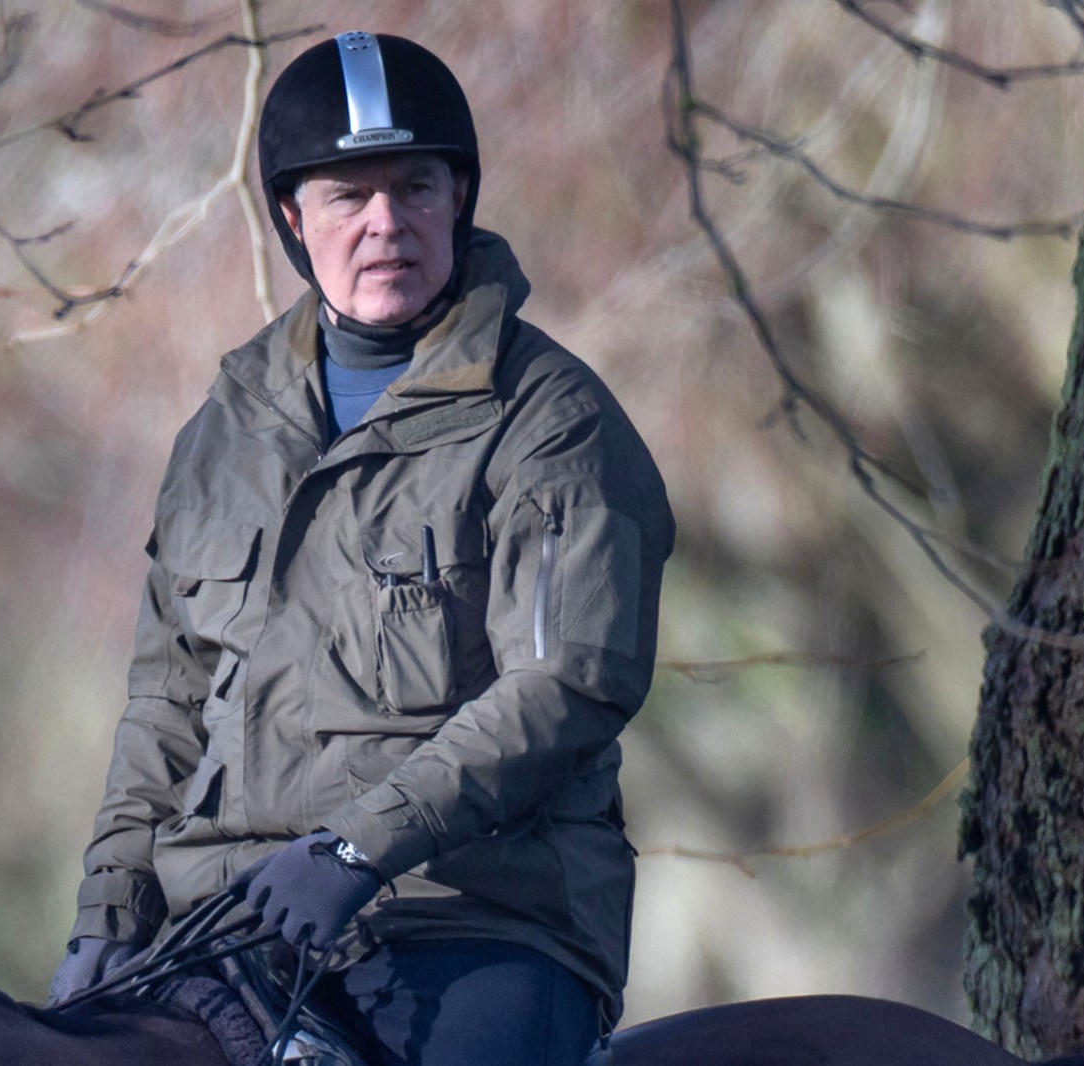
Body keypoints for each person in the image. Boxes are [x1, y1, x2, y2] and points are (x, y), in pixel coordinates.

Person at [49, 31, 674, 1066]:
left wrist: (353, 851)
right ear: (293, 220)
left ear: (458, 200)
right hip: (228, 922)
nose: (386, 223)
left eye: (415, 187)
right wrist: (106, 914)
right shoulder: (223, 430)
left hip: (471, 917)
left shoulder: (550, 419)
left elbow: (566, 682)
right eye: (348, 196)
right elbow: (165, 704)